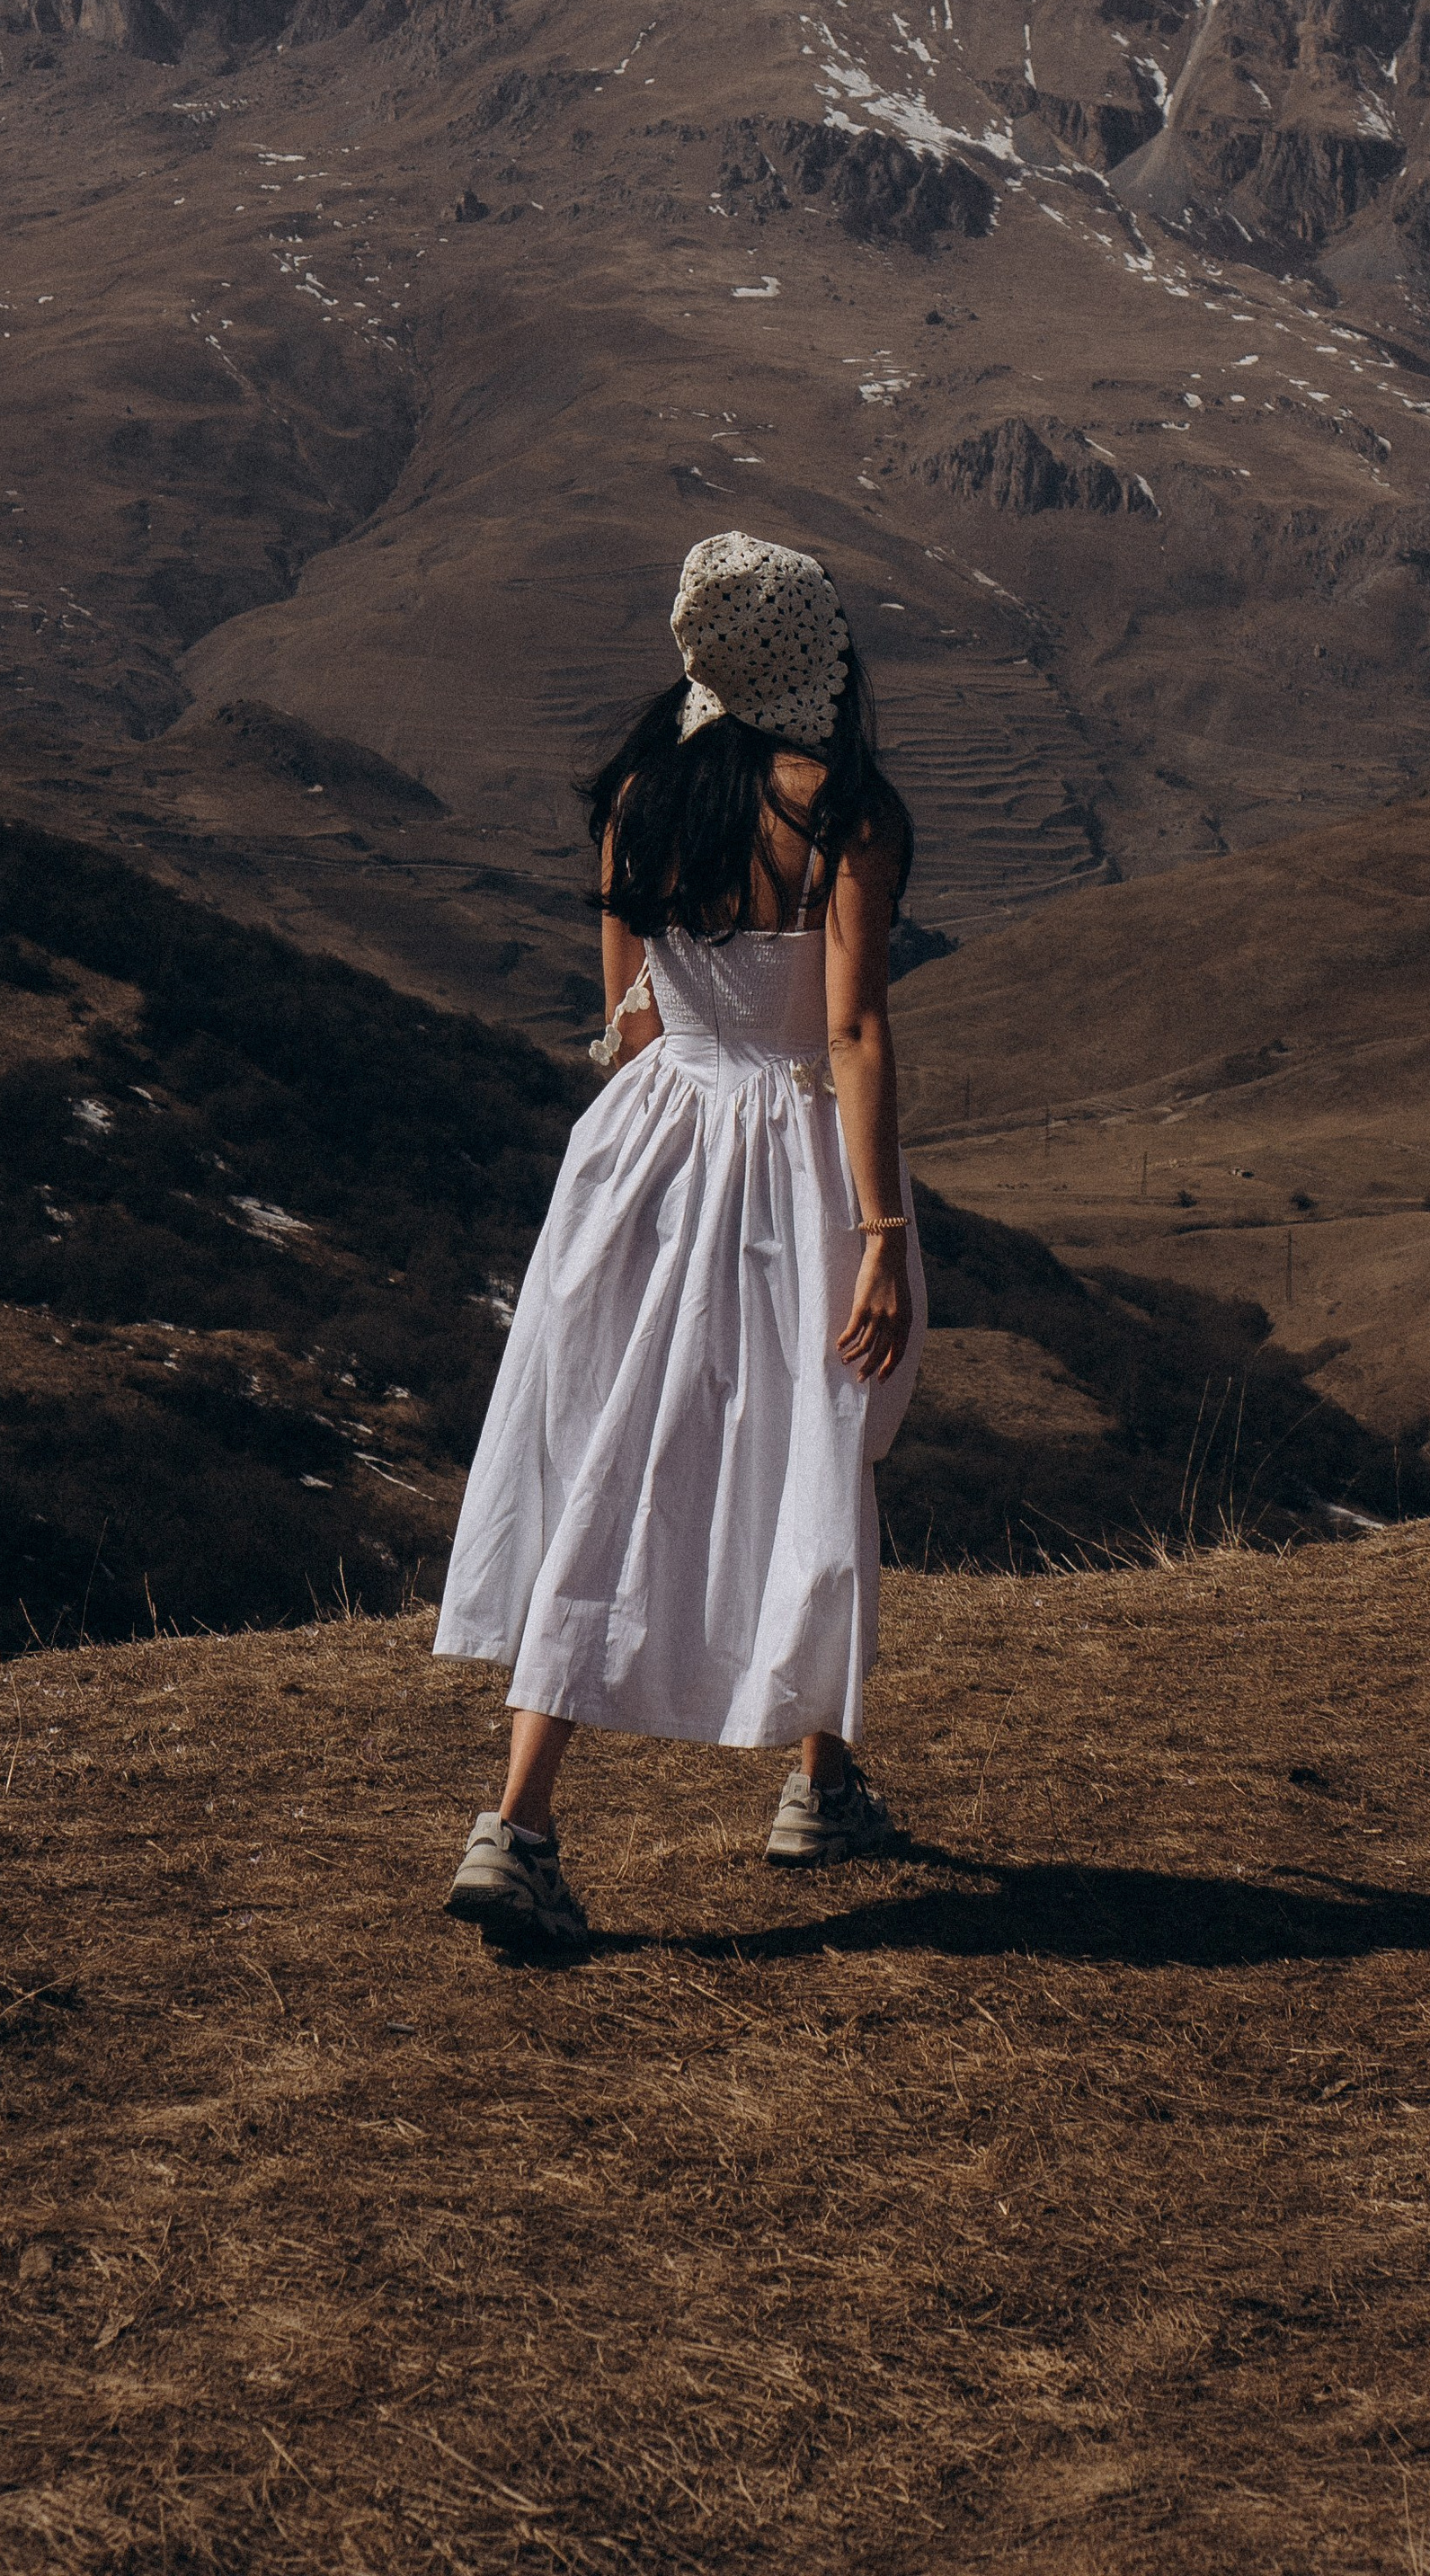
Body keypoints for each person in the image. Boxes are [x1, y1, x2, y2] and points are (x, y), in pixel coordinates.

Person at [433, 531, 928, 1957]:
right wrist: (882, 1227)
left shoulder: (643, 794)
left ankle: (544, 1813)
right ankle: (789, 1792)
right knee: (820, 1442)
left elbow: (630, 1020)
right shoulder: (844, 814)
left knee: (610, 1454)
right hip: (792, 1161)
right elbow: (849, 1031)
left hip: (647, 1147)